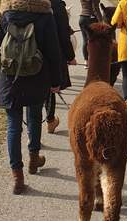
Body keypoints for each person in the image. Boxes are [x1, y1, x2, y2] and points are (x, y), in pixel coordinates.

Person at [0, 0, 61, 194]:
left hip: (9, 75)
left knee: (13, 124)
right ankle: (34, 159)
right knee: (34, 116)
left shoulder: (6, 11)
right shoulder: (45, 12)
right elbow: (53, 51)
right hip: (37, 74)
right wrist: (56, 81)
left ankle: (17, 175)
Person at [46, 0, 77, 134]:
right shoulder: (57, 5)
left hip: (31, 55)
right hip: (52, 53)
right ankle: (50, 120)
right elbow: (64, 35)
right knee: (51, 87)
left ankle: (47, 123)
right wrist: (70, 57)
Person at [79, 0, 101, 66]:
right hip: (91, 18)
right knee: (95, 41)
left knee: (85, 40)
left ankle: (86, 61)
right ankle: (95, 60)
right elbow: (95, 8)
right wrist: (101, 21)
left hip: (82, 18)